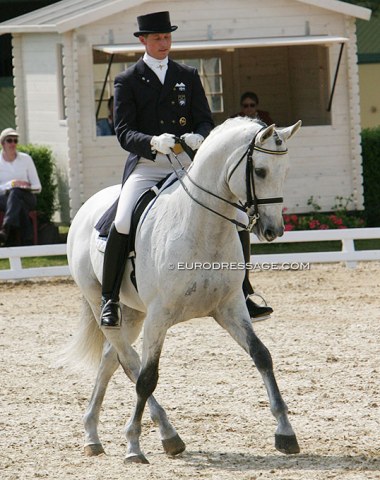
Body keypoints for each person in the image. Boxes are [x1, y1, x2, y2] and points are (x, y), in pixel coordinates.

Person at [99, 11, 271, 327]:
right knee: (123, 220)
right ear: (143, 40)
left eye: (166, 37)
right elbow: (123, 131)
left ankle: (244, 291)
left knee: (240, 217)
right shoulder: (127, 80)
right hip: (149, 164)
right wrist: (152, 141)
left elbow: (204, 118)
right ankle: (109, 299)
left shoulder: (187, 75)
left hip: (188, 165)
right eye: (156, 38)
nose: (163, 43)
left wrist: (201, 135)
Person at [0, 128, 42, 246]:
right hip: (4, 198)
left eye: (15, 140)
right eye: (9, 140)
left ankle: (5, 230)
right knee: (16, 198)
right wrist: (12, 184)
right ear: (2, 143)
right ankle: (26, 239)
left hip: (27, 196)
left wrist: (24, 187)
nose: (13, 144)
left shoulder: (26, 159)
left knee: (16, 193)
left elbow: (37, 186)